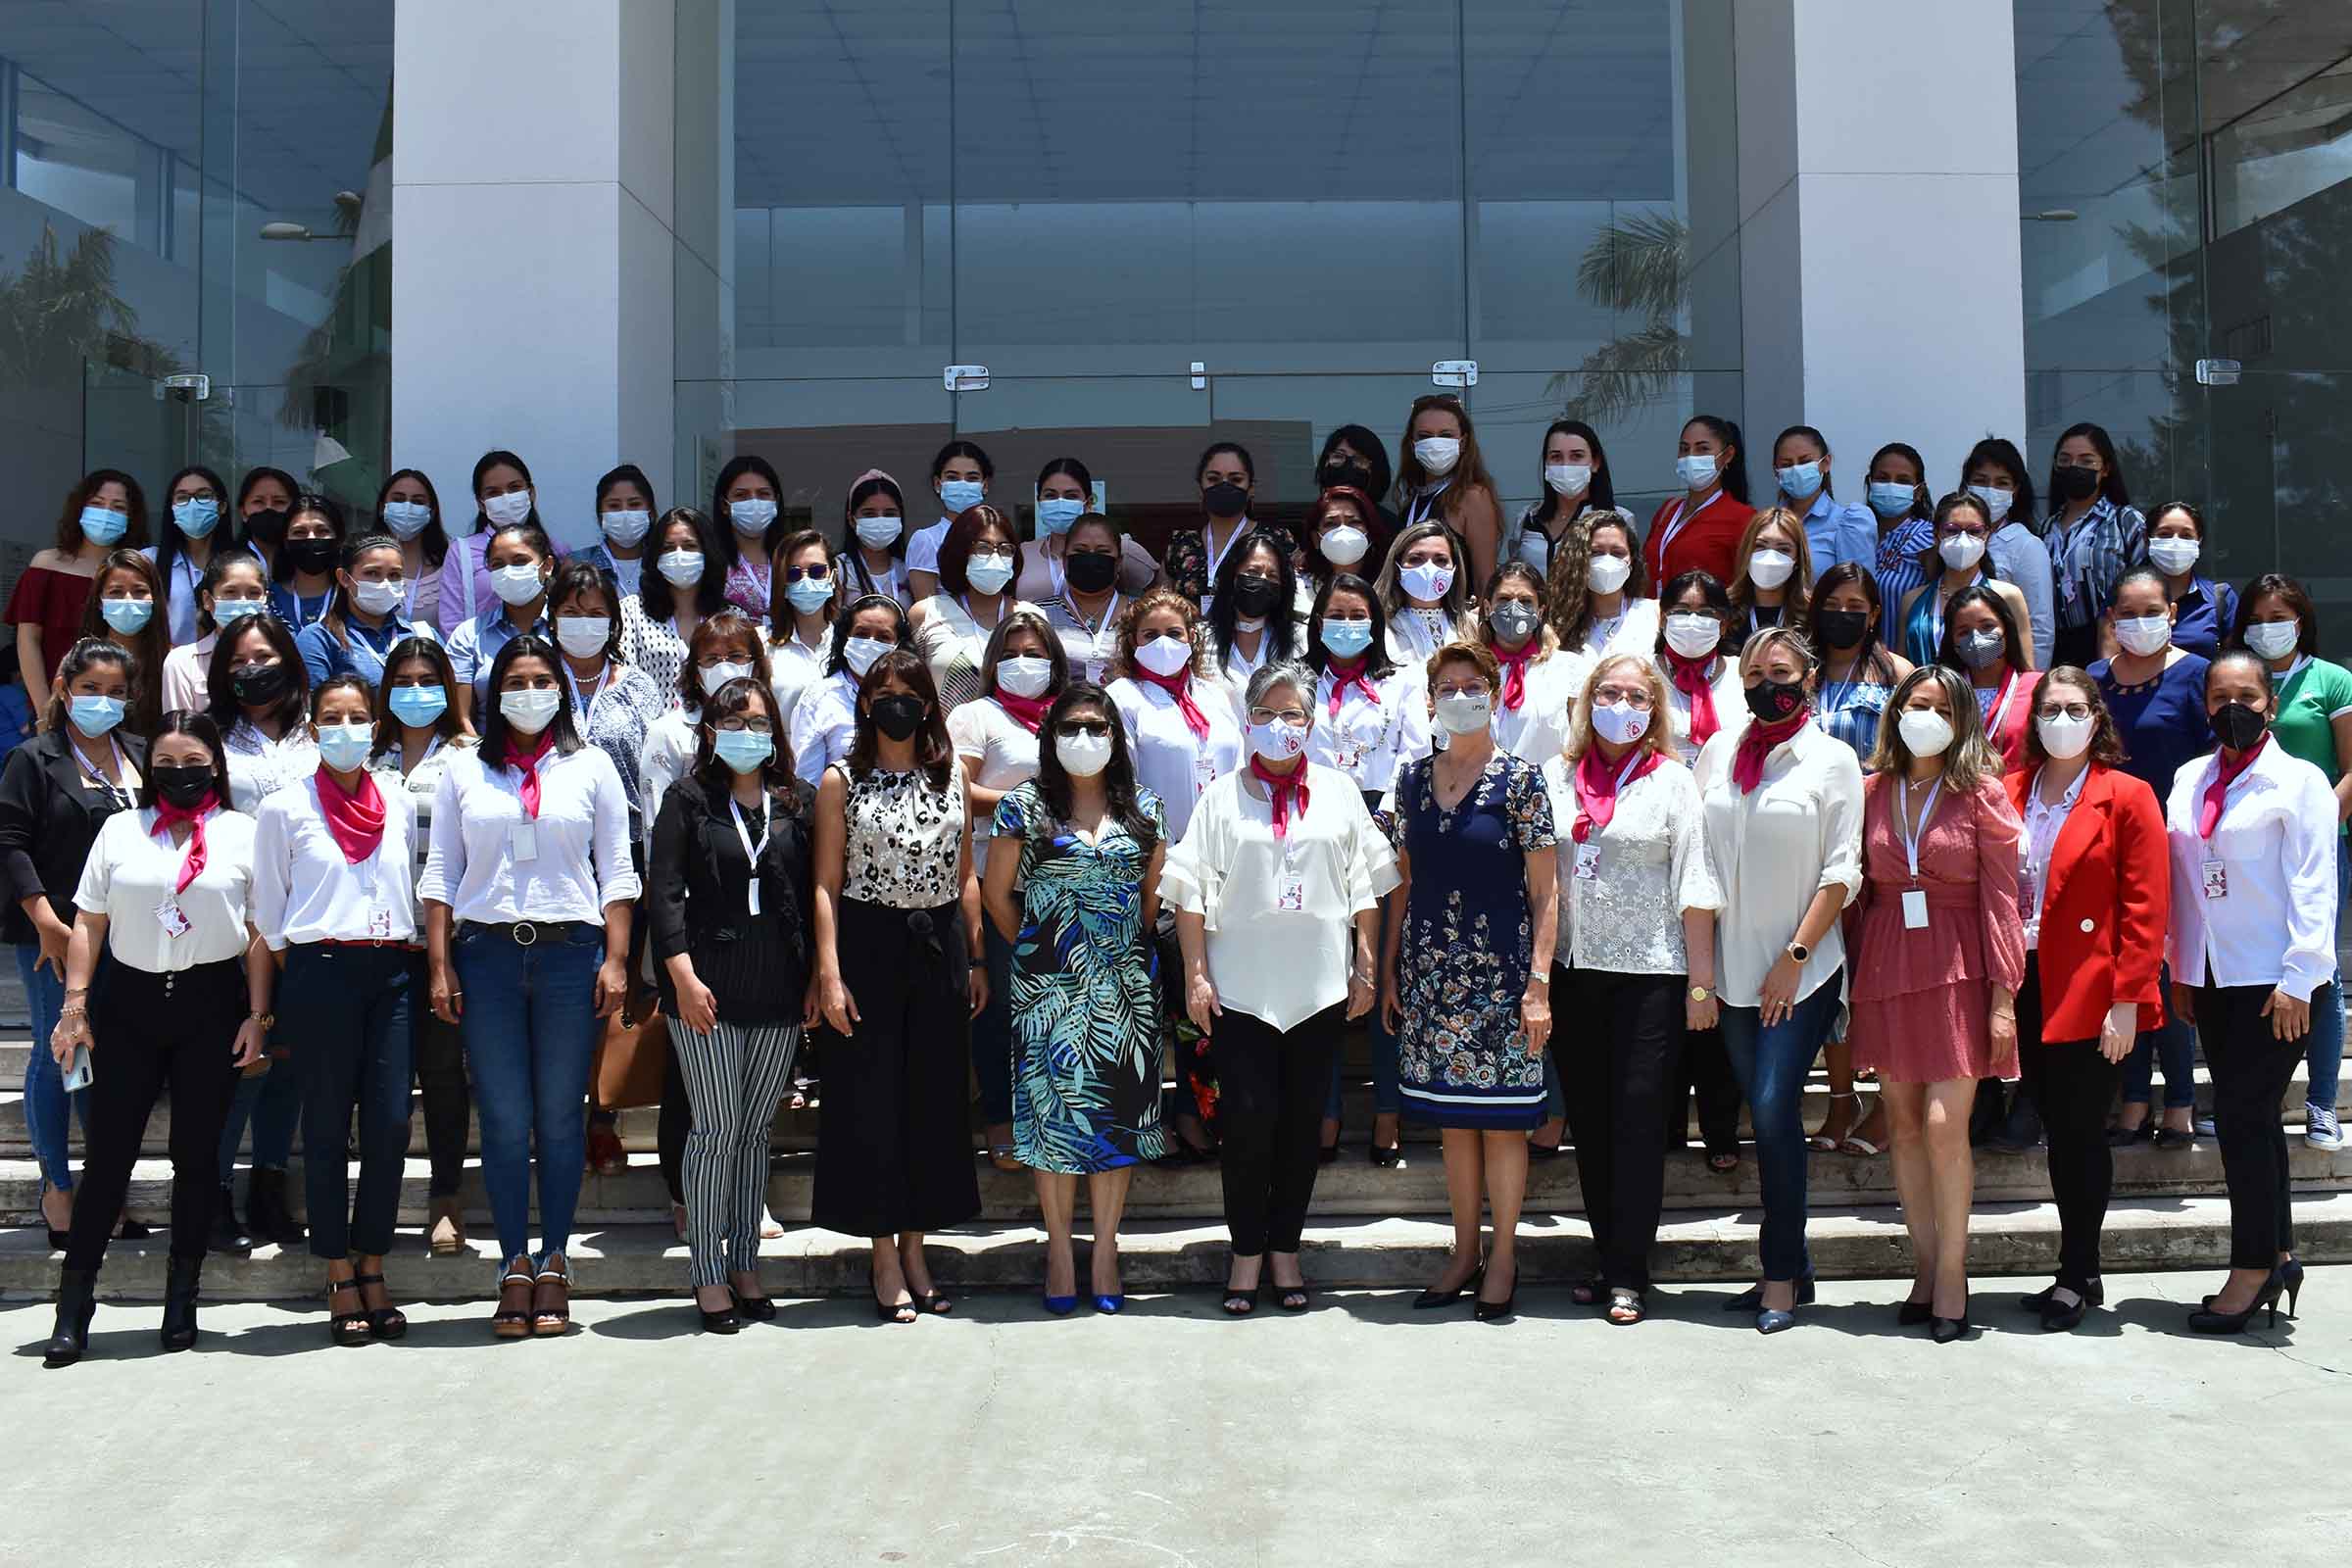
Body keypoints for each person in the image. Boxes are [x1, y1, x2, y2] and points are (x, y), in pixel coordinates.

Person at [419, 634, 639, 1337]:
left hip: (571, 956)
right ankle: (513, 1262)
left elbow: (618, 869)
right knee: (508, 1120)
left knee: (560, 1116)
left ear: (562, 689)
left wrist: (618, 959)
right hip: (485, 955)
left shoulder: (592, 765)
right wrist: (439, 963)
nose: (530, 691)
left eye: (543, 678)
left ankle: (555, 1261)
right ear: (492, 691)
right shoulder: (462, 770)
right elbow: (440, 873)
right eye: (515, 679)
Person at [40, 712, 268, 1367]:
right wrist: (75, 1004)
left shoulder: (241, 834)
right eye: (165, 763)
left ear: (215, 765)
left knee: (196, 1160)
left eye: (192, 761)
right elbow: (89, 920)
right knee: (109, 1159)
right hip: (128, 1004)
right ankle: (73, 1308)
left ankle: (181, 1300)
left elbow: (257, 933)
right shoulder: (120, 829)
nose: (179, 773)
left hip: (210, 1003)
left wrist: (258, 1016)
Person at [1167, 661, 1393, 1313]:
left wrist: (1367, 964)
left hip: (1317, 987)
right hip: (1239, 990)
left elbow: (1367, 884)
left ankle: (1286, 1249)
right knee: (1244, 1127)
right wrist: (1197, 972)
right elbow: (1188, 891)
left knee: (1302, 1128)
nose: (1279, 726)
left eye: (1292, 713)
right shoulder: (1222, 796)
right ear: (1246, 723)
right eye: (1265, 713)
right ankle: (1245, 1254)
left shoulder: (1338, 792)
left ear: (1312, 722)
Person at [1382, 640, 1558, 1321]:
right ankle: (1462, 1252)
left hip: (1504, 980)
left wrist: (1538, 985)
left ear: (1494, 692)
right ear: (1430, 701)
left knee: (1505, 1125)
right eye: (1447, 686)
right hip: (1431, 978)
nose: (1460, 695)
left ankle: (1504, 1255)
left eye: (1471, 684)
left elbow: (1547, 894)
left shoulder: (1522, 780)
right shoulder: (1409, 780)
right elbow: (1402, 882)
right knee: (1456, 1125)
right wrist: (1394, 965)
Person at [1542, 654, 1721, 1323]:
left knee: (1639, 1121)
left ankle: (1629, 1272)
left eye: (1636, 695)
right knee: (1589, 1124)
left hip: (1653, 974)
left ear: (1654, 708)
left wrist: (1701, 984)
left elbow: (1695, 882)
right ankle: (1606, 1252)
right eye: (1610, 693)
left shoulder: (1673, 781)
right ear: (1588, 702)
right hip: (1575, 972)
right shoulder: (1556, 778)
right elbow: (1541, 876)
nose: (1622, 704)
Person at [1695, 625, 1864, 1332]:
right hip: (1732, 972)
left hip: (1801, 969)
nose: (1770, 684)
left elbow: (1842, 872)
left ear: (1810, 677)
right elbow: (1698, 862)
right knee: (1764, 1122)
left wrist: (1793, 961)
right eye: (1756, 672)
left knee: (1770, 1107)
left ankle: (1777, 1278)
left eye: (1783, 671)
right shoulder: (1719, 751)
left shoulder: (1833, 759)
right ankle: (1796, 1265)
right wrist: (1702, 975)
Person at [1849, 664, 2025, 1341]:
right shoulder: (1873, 790)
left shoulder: (1981, 791)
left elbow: (2003, 899)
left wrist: (2004, 997)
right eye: (1915, 704)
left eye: (1941, 708)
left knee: (1947, 1123)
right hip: (1890, 960)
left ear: (1962, 722)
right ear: (1896, 712)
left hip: (1961, 967)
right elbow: (1858, 887)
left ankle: (1954, 1272)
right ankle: (1924, 1268)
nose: (1926, 716)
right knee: (1902, 1124)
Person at [2165, 650, 2337, 1333]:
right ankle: (2282, 1252)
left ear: (2269, 702)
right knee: (2256, 1118)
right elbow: (2183, 878)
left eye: (2247, 694)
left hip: (2277, 981)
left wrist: (2301, 977)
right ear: (2205, 705)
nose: (2232, 706)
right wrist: (2181, 967)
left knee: (2238, 1116)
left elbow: (2316, 885)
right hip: (2213, 975)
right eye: (2219, 695)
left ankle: (2252, 1266)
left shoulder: (2300, 781)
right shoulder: (2187, 777)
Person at [808, 649, 984, 1320]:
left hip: (937, 948)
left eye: (908, 691)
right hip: (866, 947)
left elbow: (965, 874)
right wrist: (829, 973)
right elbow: (824, 883)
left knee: (932, 1106)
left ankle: (917, 1247)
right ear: (863, 702)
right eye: (882, 690)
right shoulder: (839, 781)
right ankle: (883, 1253)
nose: (895, 702)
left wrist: (975, 959)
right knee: (871, 1103)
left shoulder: (952, 780)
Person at [985, 682, 1170, 1311]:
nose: (1084, 739)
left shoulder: (1145, 810)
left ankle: (1108, 1249)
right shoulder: (1023, 807)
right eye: (1071, 727)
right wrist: (1044, 952)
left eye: (1097, 726)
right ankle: (1061, 1250)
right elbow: (996, 896)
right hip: (1048, 994)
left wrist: (1111, 954)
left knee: (1117, 1121)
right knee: (1054, 1119)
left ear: (1116, 738)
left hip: (1124, 993)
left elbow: (1150, 902)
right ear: (1050, 736)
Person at [250, 674, 419, 1344]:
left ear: (375, 729)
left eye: (358, 717)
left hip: (392, 970)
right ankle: (338, 1270)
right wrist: (311, 969)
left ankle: (374, 1261)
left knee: (389, 1123)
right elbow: (268, 907)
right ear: (314, 728)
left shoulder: (399, 799)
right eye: (332, 717)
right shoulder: (284, 807)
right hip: (319, 970)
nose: (346, 728)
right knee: (323, 1126)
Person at [647, 674, 814, 1332]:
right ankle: (707, 1274)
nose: (748, 734)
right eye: (734, 722)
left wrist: (809, 979)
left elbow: (805, 892)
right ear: (711, 731)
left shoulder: (792, 802)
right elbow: (663, 894)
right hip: (705, 989)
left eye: (759, 722)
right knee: (714, 1132)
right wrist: (682, 979)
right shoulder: (688, 799)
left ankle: (745, 1262)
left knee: (753, 1134)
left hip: (774, 986)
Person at [2003, 668, 2168, 1330]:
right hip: (2021, 978)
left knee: (2077, 1134)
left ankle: (2076, 1273)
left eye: (2074, 708)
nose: (2061, 719)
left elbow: (2145, 903)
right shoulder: (2011, 790)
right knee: (2049, 1122)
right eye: (2050, 708)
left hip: (2090, 988)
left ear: (2097, 718)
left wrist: (2128, 998)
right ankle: (2081, 1267)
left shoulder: (2126, 795)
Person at [0, 639, 147, 1249]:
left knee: (110, 1062)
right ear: (63, 689)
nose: (102, 702)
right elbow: (10, 843)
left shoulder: (141, 754)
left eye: (115, 692)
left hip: (132, 935)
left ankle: (104, 1190)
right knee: (56, 1051)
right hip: (55, 934)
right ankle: (57, 1188)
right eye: (90, 689)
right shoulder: (33, 758)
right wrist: (47, 924)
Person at [205, 612, 318, 1251]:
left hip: (306, 916)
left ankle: (269, 1186)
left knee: (289, 1063)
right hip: (235, 919)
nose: (253, 670)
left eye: (264, 657)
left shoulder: (317, 732)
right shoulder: (215, 736)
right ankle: (214, 1192)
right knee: (243, 1062)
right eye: (239, 662)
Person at [1303, 577, 1426, 1165]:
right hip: (1312, 828)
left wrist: (1383, 813)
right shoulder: (1299, 679)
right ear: (1317, 619)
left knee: (1383, 970)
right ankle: (1324, 1110)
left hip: (1385, 822)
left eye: (1358, 614)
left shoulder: (1399, 679)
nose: (1347, 623)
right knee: (1327, 974)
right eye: (1335, 612)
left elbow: (1416, 751)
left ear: (1375, 622)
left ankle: (1387, 1111)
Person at [2230, 573, 2352, 1151]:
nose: (2267, 629)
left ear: (2301, 620)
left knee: (2317, 971)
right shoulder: (2234, 680)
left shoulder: (2331, 680)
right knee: (2261, 965)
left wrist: (2315, 822)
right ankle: (2265, 1090)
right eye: (2256, 618)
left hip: (2319, 845)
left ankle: (2323, 1101)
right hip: (2249, 851)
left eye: (2279, 618)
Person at [2092, 566, 2212, 1149]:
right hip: (2106, 846)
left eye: (2152, 611)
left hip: (2176, 847)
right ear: (2111, 619)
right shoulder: (2093, 681)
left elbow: (2215, 763)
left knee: (2167, 976)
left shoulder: (2196, 676)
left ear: (2171, 613)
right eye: (2127, 612)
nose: (2139, 622)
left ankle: (2181, 1103)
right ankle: (2135, 1099)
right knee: (2125, 974)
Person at [367, 637, 475, 1254]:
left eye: (428, 680)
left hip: (446, 944)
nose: (415, 692)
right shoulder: (362, 752)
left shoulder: (468, 756)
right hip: (374, 942)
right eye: (403, 680)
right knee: (382, 1083)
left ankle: (445, 1197)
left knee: (442, 1075)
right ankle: (376, 1206)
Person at [950, 611, 1067, 1171]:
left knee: (1053, 1008)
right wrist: (1025, 806)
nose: (1026, 663)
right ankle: (1000, 1118)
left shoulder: (1069, 715)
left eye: (1037, 653)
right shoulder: (976, 715)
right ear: (995, 659)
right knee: (997, 1005)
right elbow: (958, 788)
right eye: (1014, 652)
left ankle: (1052, 1117)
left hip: (1065, 882)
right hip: (994, 878)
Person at [1803, 563, 1914, 1156]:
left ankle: (1885, 1104)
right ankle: (1840, 1100)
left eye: (1856, 605)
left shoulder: (1894, 670)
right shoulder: (1802, 669)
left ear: (1873, 614)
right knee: (1829, 972)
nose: (1843, 613)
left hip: (1876, 836)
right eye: (1833, 602)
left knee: (1874, 971)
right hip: (1809, 839)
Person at [1105, 589, 1243, 843]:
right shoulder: (1121, 697)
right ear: (1134, 641)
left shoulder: (1215, 695)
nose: (1163, 643)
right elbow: (1124, 784)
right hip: (1160, 850)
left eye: (1173, 633)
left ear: (1191, 637)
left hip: (1223, 845)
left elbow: (1238, 767)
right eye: (1150, 635)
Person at [550, 560, 667, 847]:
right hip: (554, 841)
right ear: (553, 619)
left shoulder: (638, 686)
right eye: (571, 613)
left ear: (613, 623)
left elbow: (657, 769)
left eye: (595, 613)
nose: (583, 622)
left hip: (628, 840)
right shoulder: (537, 682)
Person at [11, 470, 146, 718]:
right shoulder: (47, 564)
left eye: (118, 507)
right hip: (55, 705)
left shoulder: (137, 575)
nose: (106, 512)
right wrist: (44, 710)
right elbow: (28, 640)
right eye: (96, 503)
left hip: (115, 709)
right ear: (80, 508)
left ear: (131, 517)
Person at [910, 505, 1039, 710]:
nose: (995, 558)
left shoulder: (1032, 616)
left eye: (1005, 549)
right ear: (960, 552)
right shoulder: (927, 613)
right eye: (983, 548)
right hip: (948, 739)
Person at [2042, 423, 2146, 669]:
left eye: (2086, 461)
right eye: (2065, 460)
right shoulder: (2046, 527)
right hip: (2057, 648)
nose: (2074, 467)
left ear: (2106, 468)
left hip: (2112, 643)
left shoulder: (2126, 521)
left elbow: (2148, 583)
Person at [1896, 491, 2033, 667]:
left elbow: (2025, 667)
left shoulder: (2008, 596)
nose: (1963, 539)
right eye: (1952, 530)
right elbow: (1902, 669)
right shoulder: (1912, 600)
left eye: (1974, 531)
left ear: (1987, 535)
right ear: (1936, 535)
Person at [790, 596, 910, 789]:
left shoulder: (913, 697)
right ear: (845, 637)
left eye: (883, 637)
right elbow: (808, 783)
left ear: (898, 644)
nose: (871, 643)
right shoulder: (820, 698)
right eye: (861, 634)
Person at [445, 518, 558, 725]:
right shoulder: (469, 635)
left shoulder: (566, 627)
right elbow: (462, 719)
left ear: (547, 566)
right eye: (498, 565)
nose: (508, 571)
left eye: (519, 561)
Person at [1959, 438, 2057, 670]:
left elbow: (2040, 627)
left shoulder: (2026, 545)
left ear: (2016, 490)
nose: (1990, 490)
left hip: (2004, 673)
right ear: (1966, 485)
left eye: (2001, 483)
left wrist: (2031, 685)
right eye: (1980, 481)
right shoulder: (1953, 538)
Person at [1165, 441, 1293, 613]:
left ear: (1251, 488)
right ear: (1200, 488)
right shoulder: (1181, 543)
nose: (1224, 485)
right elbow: (1162, 604)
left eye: (1236, 479)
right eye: (1213, 479)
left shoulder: (1276, 539)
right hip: (1193, 639)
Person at [296, 531, 432, 692]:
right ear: (344, 578)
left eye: (394, 575)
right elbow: (317, 707)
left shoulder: (423, 635)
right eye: (372, 573)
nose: (385, 583)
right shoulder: (319, 639)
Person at [622, 507, 733, 704]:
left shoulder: (732, 616)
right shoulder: (631, 612)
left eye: (690, 546)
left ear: (708, 552)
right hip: (652, 731)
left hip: (716, 730)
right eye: (668, 548)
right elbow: (624, 682)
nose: (679, 555)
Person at [1394, 395, 1504, 584]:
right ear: (1413, 444)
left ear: (1462, 443)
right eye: (1425, 436)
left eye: (1446, 435)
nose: (1435, 444)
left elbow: (1484, 580)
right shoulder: (1411, 498)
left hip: (1456, 612)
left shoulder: (1473, 497)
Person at [1504, 418, 1633, 580]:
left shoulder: (1619, 519)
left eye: (1577, 456)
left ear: (1595, 463)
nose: (1566, 465)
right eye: (1556, 457)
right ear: (1546, 463)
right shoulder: (1527, 518)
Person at [1016, 456, 1156, 603]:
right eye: (1050, 495)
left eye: (1071, 496)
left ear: (1088, 503)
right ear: (1039, 502)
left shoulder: (1119, 548)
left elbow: (1156, 593)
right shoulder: (1023, 553)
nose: (1060, 503)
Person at [1481, 563, 1578, 763]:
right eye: (1504, 599)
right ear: (1488, 607)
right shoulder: (1469, 670)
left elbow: (1580, 742)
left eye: (1525, 601)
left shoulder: (1569, 669)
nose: (1514, 608)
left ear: (1540, 612)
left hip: (1547, 789)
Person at [433, 451, 536, 638]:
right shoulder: (462, 552)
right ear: (481, 503)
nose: (506, 498)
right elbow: (451, 625)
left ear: (531, 493)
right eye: (493, 493)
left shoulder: (557, 551)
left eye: (514, 488)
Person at [1643, 416, 1753, 588]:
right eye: (1684, 449)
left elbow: (1745, 588)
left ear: (1728, 455)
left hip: (1704, 613)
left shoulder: (1743, 518)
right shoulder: (1668, 509)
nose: (1690, 456)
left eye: (1702, 449)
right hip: (1653, 613)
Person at [1936, 584, 2035, 770]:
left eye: (1987, 626)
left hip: (2017, 794)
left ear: (2007, 628)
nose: (1976, 638)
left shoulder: (2036, 687)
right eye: (1964, 632)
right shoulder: (1943, 691)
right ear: (1952, 641)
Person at [161, 553, 271, 714]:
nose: (242, 601)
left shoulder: (279, 656)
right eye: (230, 592)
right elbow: (180, 732)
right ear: (207, 599)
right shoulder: (182, 663)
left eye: (253, 593)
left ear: (265, 599)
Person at [1547, 513, 1658, 671]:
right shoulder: (1555, 622)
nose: (1607, 560)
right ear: (1577, 559)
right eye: (1596, 552)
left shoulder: (1654, 614)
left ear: (1632, 560)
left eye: (1617, 553)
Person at [1654, 571, 1744, 766]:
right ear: (1662, 619)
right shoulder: (1642, 673)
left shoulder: (1743, 673)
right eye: (1681, 610)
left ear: (1723, 625)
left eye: (1706, 613)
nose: (1693, 621)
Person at [75, 551, 169, 737]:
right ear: (100, 601)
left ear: (154, 599)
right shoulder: (79, 659)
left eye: (140, 591)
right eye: (116, 592)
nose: (128, 600)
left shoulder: (172, 662)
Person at [1040, 513, 1137, 685]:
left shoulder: (1141, 613)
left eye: (1103, 552)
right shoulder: (1039, 615)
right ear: (1065, 560)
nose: (1091, 558)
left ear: (1119, 562)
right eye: (1080, 551)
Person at [146, 465, 237, 645]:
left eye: (204, 496)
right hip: (166, 667)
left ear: (222, 506)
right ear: (171, 508)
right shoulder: (149, 561)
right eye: (182, 498)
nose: (193, 505)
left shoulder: (242, 563)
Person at [1204, 527, 1301, 694]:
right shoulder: (1201, 639)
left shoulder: (1300, 638)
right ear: (1232, 577)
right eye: (1252, 572)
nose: (1262, 580)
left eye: (1272, 575)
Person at [1770, 425, 1873, 577]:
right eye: (1787, 464)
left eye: (1805, 461)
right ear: (1776, 472)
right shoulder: (1768, 525)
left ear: (1825, 463)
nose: (1796, 469)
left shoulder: (1848, 523)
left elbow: (1858, 588)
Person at [1375, 519, 1477, 666]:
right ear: (1397, 570)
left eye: (1440, 560)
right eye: (1416, 559)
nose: (1429, 568)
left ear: (1454, 569)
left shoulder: (1473, 628)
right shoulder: (1379, 628)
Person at [2142, 502, 2235, 659]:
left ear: (2199, 541)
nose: (2175, 542)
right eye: (2165, 534)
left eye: (2186, 535)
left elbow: (2234, 663)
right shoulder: (2123, 595)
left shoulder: (2220, 598)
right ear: (2147, 539)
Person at [906, 439, 994, 603]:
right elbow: (926, 611)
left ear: (985, 485)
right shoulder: (926, 540)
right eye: (953, 477)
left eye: (972, 478)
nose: (962, 484)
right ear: (938, 484)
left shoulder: (998, 536)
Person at [766, 528, 839, 725]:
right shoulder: (761, 644)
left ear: (832, 576)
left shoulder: (851, 642)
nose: (805, 580)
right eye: (793, 574)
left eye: (817, 571)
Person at [371, 467, 453, 631]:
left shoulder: (451, 563)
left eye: (418, 502)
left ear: (432, 511)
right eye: (398, 499)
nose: (407, 507)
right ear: (382, 507)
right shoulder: (362, 563)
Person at [1865, 443, 1936, 612]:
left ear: (1919, 491)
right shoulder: (1857, 532)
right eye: (1883, 478)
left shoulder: (1926, 538)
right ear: (1870, 483)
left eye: (1903, 481)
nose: (1891, 486)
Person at [1726, 507, 1817, 639]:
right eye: (1760, 546)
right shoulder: (1724, 610)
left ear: (1798, 558)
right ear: (1747, 551)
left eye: (1783, 549)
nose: (1770, 556)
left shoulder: (1812, 615)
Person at [712, 455, 782, 619]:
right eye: (741, 495)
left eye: (763, 494)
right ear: (724, 505)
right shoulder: (711, 561)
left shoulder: (792, 559)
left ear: (776, 502)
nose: (754, 502)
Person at [575, 464, 657, 601]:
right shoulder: (576, 564)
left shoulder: (663, 564)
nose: (625, 513)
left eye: (634, 504)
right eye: (614, 506)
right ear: (601, 516)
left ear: (651, 513)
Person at [838, 468, 913, 610]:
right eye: (869, 514)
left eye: (889, 513)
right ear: (851, 519)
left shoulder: (909, 568)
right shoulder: (838, 569)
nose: (880, 520)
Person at [270, 493, 346, 633]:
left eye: (322, 531)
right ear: (286, 542)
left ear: (338, 539)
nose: (311, 538)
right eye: (299, 532)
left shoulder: (351, 597)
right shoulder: (269, 598)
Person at [1299, 485, 1391, 600]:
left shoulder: (1391, 589)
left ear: (1371, 533)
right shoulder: (1300, 592)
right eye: (1331, 524)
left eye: (1354, 522)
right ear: (1315, 539)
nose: (1343, 530)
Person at [1314, 423, 1396, 532]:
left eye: (1359, 460)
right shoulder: (1315, 519)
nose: (1347, 466)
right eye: (1338, 456)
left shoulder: (1390, 526)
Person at [234, 466, 300, 580]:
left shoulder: (305, 566)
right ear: (243, 512)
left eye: (279, 502)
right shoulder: (225, 565)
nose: (269, 508)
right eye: (258, 501)